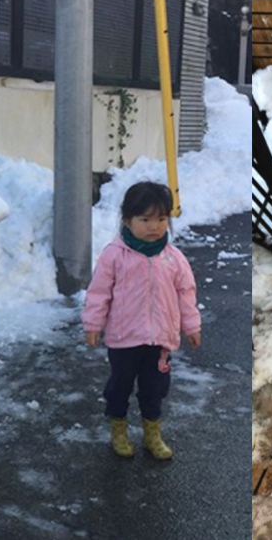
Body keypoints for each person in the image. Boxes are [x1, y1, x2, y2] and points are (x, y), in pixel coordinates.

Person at [82, 181, 202, 460]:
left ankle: (152, 433)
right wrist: (93, 324)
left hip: (160, 340)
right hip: (124, 339)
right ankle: (118, 429)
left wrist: (192, 326)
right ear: (127, 220)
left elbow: (186, 294)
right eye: (145, 220)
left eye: (161, 219)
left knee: (155, 388)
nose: (154, 227)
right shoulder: (114, 255)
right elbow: (99, 292)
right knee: (119, 386)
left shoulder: (173, 258)